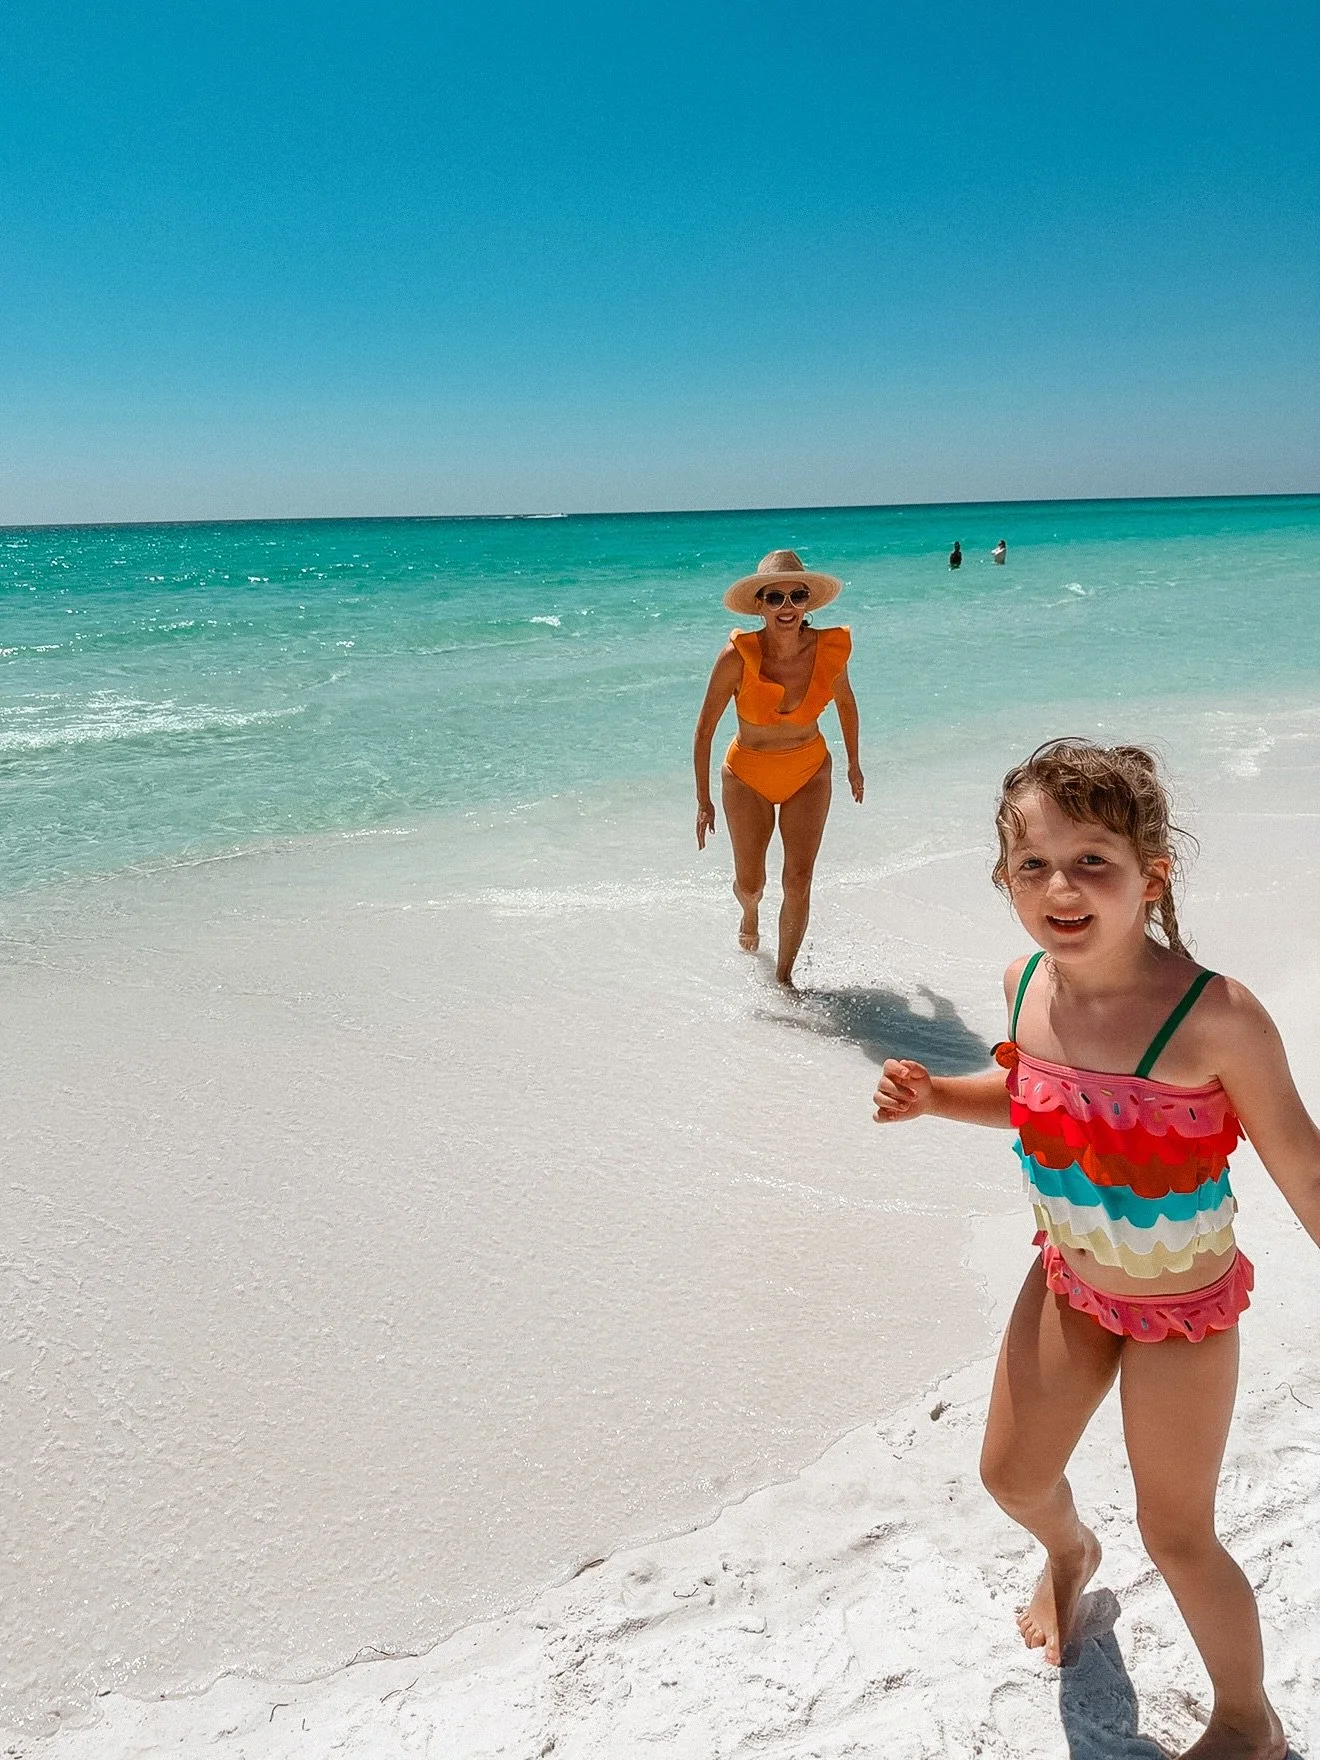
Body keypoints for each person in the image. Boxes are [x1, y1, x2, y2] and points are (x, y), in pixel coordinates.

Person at [872, 740, 1318, 1760]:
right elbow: (1042, 1105)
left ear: (1150, 876)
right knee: (1012, 1477)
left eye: (1092, 862)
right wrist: (941, 1097)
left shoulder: (1218, 1017)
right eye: (1033, 865)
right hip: (1070, 1277)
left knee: (1180, 1532)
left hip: (1184, 1313)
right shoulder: (1026, 981)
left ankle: (1249, 1722)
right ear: (1004, 877)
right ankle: (1070, 1551)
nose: (1060, 887)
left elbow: (1306, 1168)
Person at [693, 549, 863, 987]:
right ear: (760, 605)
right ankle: (748, 912)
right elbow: (704, 729)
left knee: (799, 880)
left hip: (809, 771)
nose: (786, 607)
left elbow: (845, 702)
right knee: (752, 884)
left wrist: (853, 765)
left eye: (796, 596)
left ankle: (785, 980)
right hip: (747, 775)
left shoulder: (829, 650)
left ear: (809, 602)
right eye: (775, 598)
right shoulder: (736, 656)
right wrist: (703, 800)